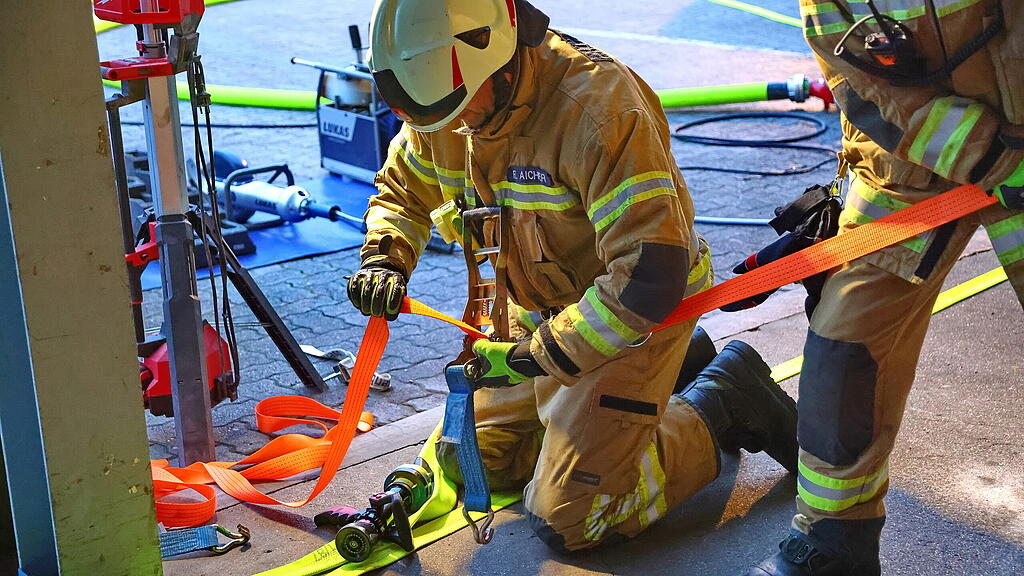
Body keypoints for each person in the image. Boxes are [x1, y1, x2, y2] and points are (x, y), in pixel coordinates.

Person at [347, 0, 799, 552]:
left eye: (459, 108)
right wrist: (383, 257)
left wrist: (540, 357)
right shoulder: (446, 101)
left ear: (501, 58)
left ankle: (724, 398)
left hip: (633, 320)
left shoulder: (598, 110)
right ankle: (663, 381)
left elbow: (647, 277)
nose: (453, 125)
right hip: (538, 321)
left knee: (571, 515)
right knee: (470, 465)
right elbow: (403, 192)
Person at [748, 1, 1024, 574]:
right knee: (843, 356)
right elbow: (858, 77)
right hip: (910, 169)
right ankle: (833, 541)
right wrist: (993, 157)